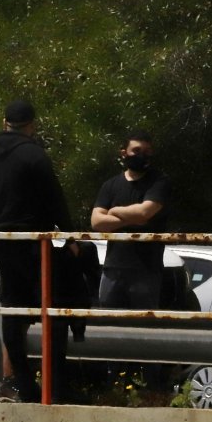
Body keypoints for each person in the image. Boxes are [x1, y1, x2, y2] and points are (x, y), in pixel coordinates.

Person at [0, 99, 77, 403]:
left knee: (13, 313)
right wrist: (70, 236)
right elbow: (54, 199)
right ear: (31, 125)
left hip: (4, 246)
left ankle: (22, 383)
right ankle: (54, 388)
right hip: (35, 248)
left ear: (4, 121)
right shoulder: (35, 155)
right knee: (53, 314)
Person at [90, 130, 170, 310]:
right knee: (109, 322)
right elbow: (96, 222)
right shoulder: (110, 185)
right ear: (124, 153)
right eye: (137, 150)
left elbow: (144, 213)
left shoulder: (159, 182)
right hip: (113, 268)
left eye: (147, 151)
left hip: (146, 270)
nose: (142, 155)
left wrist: (115, 211)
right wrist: (129, 219)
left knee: (143, 327)